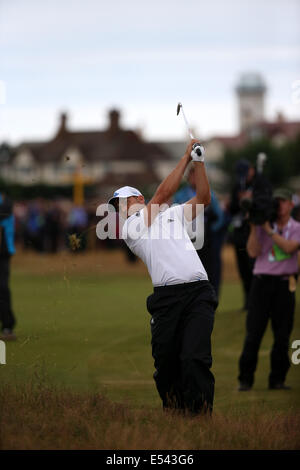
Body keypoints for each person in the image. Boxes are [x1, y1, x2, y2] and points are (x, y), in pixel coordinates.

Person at [107, 139, 218, 415]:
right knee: (166, 363)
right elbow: (162, 195)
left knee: (195, 359)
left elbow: (204, 198)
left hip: (198, 293)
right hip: (167, 298)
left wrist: (199, 162)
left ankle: (201, 418)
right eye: (116, 205)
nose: (119, 208)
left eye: (122, 201)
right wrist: (185, 158)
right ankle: (175, 413)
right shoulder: (132, 227)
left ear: (137, 200)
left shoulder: (173, 214)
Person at [238, 188, 300, 391]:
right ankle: (245, 380)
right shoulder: (263, 224)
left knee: (282, 335)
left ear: (291, 205)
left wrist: (269, 230)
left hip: (285, 283)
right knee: (253, 333)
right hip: (262, 283)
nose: (279, 206)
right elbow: (253, 251)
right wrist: (255, 226)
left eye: (283, 202)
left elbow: (290, 248)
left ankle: (277, 379)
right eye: (277, 202)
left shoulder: (296, 227)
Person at [174, 166, 226, 298]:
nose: (195, 180)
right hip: (188, 238)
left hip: (206, 239)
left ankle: (211, 297)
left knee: (210, 270)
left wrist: (211, 231)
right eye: (192, 176)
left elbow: (220, 217)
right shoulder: (180, 195)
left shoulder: (209, 194)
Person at [0, 190, 16, 340]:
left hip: (3, 252)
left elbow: (4, 212)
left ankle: (7, 326)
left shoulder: (5, 202)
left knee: (2, 289)